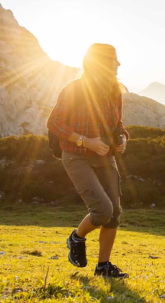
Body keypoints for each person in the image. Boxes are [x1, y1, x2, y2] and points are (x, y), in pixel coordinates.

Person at [47, 44, 130, 278]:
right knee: (103, 210)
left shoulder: (115, 91)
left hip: (105, 157)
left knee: (115, 213)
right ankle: (76, 237)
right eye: (114, 60)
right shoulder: (74, 89)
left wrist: (121, 139)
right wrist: (85, 141)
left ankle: (103, 266)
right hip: (76, 156)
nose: (118, 64)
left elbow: (118, 126)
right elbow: (54, 122)